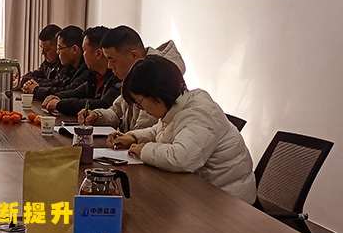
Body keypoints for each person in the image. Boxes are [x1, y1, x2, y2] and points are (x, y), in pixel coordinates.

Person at [108, 55, 256, 203]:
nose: (141, 108)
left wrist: (143, 150)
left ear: (156, 93)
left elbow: (182, 158)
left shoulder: (199, 115)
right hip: (201, 191)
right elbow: (159, 131)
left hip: (228, 202)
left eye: (139, 103)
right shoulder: (177, 107)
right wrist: (133, 137)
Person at [77, 25, 184, 132]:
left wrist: (128, 137)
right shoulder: (134, 76)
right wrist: (96, 116)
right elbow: (116, 112)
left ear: (134, 56)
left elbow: (144, 129)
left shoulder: (156, 78)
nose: (109, 66)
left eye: (112, 60)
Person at [41, 25, 121, 115]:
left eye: (84, 50)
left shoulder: (117, 76)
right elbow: (78, 92)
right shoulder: (95, 75)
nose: (83, 54)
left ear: (99, 54)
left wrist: (60, 104)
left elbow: (102, 104)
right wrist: (57, 97)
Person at [22, 25, 89, 98]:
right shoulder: (69, 67)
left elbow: (68, 91)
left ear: (74, 49)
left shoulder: (87, 71)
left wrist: (36, 90)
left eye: (60, 48)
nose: (57, 52)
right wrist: (33, 85)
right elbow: (58, 84)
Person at [15, 23, 62, 90]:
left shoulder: (66, 66)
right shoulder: (48, 63)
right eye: (42, 48)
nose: (42, 53)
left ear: (58, 47)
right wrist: (21, 78)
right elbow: (36, 74)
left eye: (46, 50)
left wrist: (25, 81)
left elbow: (54, 83)